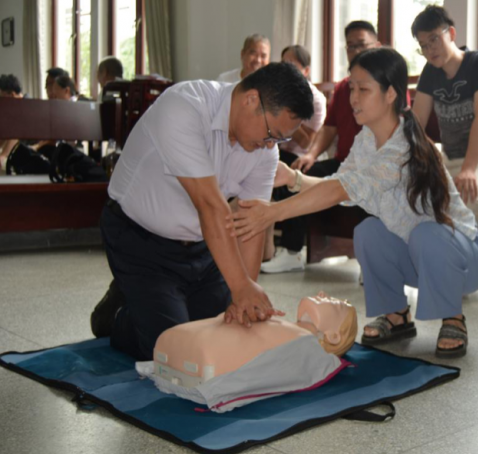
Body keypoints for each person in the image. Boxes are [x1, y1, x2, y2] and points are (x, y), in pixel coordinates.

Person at [229, 48, 478, 358]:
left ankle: (454, 317)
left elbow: (340, 190)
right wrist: (293, 180)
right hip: (418, 256)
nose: (353, 97)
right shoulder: (366, 139)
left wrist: (272, 212)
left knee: (427, 232)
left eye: (363, 89)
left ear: (391, 93)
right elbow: (342, 186)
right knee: (369, 230)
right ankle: (396, 315)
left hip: (465, 258)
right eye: (352, 87)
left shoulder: (404, 146)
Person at [89, 62, 315, 361]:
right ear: (250, 100)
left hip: (203, 248)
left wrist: (244, 292)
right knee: (174, 350)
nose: (272, 144)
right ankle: (117, 312)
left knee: (224, 334)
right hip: (140, 242)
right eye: (272, 133)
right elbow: (210, 205)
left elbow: (252, 221)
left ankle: (154, 302)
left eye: (281, 140)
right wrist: (239, 286)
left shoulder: (266, 151)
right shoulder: (184, 107)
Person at [259, 20, 381, 274]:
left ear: (377, 46)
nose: (355, 51)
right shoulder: (342, 87)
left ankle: (373, 261)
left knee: (369, 188)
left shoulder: (386, 87)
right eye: (350, 46)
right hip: (343, 162)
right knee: (303, 172)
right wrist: (312, 155)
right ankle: (292, 252)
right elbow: (329, 128)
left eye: (361, 45)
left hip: (374, 166)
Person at [138, 293, 357, 412]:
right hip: (202, 342)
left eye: (334, 304)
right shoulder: (289, 328)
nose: (321, 293)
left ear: (333, 336)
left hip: (211, 352)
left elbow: (280, 370)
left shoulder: (309, 349)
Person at [411, 5, 478, 229]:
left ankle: (468, 262)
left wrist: (468, 169)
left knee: (468, 196)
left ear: (451, 33)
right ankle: (430, 261)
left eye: (434, 40)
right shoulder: (430, 73)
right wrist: (429, 151)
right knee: (414, 196)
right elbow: (415, 123)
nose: (429, 50)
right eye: (423, 46)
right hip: (447, 162)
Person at [260, 45, 328, 263]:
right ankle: (262, 247)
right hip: (278, 149)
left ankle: (286, 251)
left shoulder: (315, 99)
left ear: (306, 71)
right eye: (283, 64)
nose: (286, 69)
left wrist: (284, 113)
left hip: (301, 155)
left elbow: (307, 141)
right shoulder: (278, 92)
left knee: (279, 171)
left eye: (292, 65)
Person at [0, 74, 23, 169]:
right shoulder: (11, 109)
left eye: (2, 98)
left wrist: (3, 155)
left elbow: (15, 132)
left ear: (12, 95)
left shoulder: (26, 107)